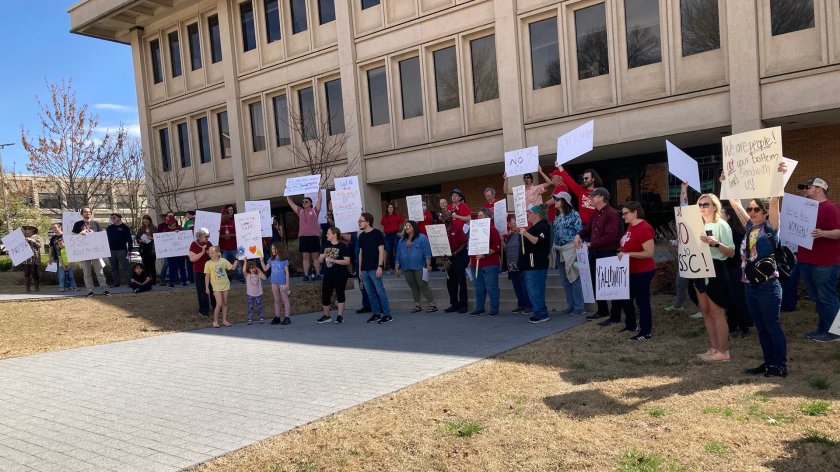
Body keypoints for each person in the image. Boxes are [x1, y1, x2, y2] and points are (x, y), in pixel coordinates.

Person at [727, 193, 787, 377]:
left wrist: (777, 182)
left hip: (768, 286)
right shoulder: (749, 227)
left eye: (756, 209)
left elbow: (775, 201)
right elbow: (735, 202)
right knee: (761, 328)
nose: (751, 212)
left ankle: (779, 366)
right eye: (750, 209)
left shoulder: (771, 228)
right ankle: (769, 363)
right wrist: (727, 182)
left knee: (772, 326)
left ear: (766, 212)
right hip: (749, 287)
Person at [795, 177, 840, 342]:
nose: (804, 190)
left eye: (808, 187)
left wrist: (823, 233)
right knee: (817, 297)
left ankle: (835, 332)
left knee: (827, 297)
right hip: (806, 260)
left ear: (819, 189)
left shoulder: (830, 208)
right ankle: (824, 329)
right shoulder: (804, 208)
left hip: (825, 263)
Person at [692, 193, 736, 363]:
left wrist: (715, 242)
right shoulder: (696, 225)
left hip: (716, 269)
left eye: (705, 204)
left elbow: (731, 252)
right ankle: (714, 348)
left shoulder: (721, 225)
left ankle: (723, 352)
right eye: (700, 205)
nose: (702, 208)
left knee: (717, 313)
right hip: (699, 269)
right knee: (706, 312)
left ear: (714, 207)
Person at [574, 187, 621, 324]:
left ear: (601, 197)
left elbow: (610, 237)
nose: (591, 198)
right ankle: (602, 310)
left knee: (611, 284)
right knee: (597, 282)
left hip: (608, 253)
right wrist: (578, 235)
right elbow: (587, 229)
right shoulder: (595, 213)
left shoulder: (611, 213)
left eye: (593, 196)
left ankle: (615, 315)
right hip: (596, 252)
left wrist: (590, 244)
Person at [617, 201, 657, 341]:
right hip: (629, 270)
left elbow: (649, 253)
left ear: (635, 212)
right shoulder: (631, 226)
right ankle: (631, 325)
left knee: (642, 301)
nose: (623, 217)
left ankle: (646, 331)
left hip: (642, 271)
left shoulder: (645, 228)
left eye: (625, 213)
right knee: (626, 298)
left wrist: (628, 254)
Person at [552, 192, 585, 315]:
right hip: (559, 250)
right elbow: (555, 234)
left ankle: (579, 307)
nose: (555, 200)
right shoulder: (557, 217)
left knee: (574, 277)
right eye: (555, 198)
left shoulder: (574, 214)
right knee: (564, 279)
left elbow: (580, 231)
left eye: (557, 199)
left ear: (564, 200)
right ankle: (571, 304)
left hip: (571, 249)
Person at [721, 204, 751, 338]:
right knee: (729, 300)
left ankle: (743, 327)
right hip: (727, 269)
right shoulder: (724, 231)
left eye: (721, 214)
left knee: (738, 299)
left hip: (736, 270)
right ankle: (731, 326)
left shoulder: (735, 233)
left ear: (728, 217)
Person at [358, 212, 393, 324]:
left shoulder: (377, 233)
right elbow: (361, 253)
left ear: (368, 222)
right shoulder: (361, 236)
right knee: (370, 293)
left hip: (374, 267)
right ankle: (376, 314)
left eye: (361, 221)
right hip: (364, 269)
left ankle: (387, 314)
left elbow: (381, 250)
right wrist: (359, 269)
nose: (359, 223)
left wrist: (380, 266)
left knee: (380, 291)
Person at [395, 219, 436, 313]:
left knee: (423, 285)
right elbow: (398, 254)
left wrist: (428, 264)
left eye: (408, 226)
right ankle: (417, 305)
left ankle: (432, 304)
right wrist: (397, 267)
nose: (406, 227)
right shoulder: (402, 240)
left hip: (419, 265)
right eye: (405, 226)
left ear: (414, 227)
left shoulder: (422, 238)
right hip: (406, 266)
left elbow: (427, 252)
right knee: (413, 285)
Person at [520, 205, 551, 323]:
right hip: (530, 264)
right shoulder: (534, 227)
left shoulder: (543, 226)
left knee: (536, 289)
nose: (528, 214)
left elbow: (538, 241)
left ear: (537, 214)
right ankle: (537, 311)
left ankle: (541, 313)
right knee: (532, 290)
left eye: (530, 212)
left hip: (537, 264)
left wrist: (526, 234)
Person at [468, 208, 501, 317]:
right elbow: (471, 246)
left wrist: (485, 254)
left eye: (481, 215)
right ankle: (480, 308)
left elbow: (497, 246)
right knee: (479, 287)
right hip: (475, 263)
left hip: (490, 263)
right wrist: (470, 261)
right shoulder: (474, 230)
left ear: (488, 217)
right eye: (478, 215)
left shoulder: (492, 229)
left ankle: (494, 308)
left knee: (491, 287)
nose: (479, 217)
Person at [316, 227, 352, 324]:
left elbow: (347, 261)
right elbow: (319, 260)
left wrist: (334, 260)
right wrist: (321, 257)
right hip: (328, 274)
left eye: (328, 233)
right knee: (325, 295)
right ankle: (326, 316)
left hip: (340, 274)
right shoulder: (325, 244)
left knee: (340, 293)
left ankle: (340, 316)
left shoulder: (342, 246)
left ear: (335, 234)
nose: (326, 235)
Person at [71, 207, 110, 296]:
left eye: (89, 212)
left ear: (91, 213)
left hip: (95, 252)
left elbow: (101, 236)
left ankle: (105, 289)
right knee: (87, 272)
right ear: (82, 214)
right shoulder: (77, 224)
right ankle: (90, 291)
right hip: (84, 252)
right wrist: (80, 234)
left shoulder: (96, 223)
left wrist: (93, 234)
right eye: (85, 212)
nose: (87, 213)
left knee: (99, 271)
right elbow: (73, 238)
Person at [287, 194, 323, 282]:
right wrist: (288, 192)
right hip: (303, 237)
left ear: (311, 203)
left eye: (306, 201)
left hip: (314, 236)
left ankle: (318, 274)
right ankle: (306, 275)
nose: (304, 203)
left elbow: (320, 200)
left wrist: (319, 189)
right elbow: (290, 202)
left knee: (315, 256)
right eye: (303, 202)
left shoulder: (315, 210)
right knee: (305, 257)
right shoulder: (300, 211)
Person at [205, 246, 241, 328]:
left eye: (213, 253)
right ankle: (215, 321)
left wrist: (236, 259)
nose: (211, 254)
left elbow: (232, 267)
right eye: (210, 253)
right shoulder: (208, 263)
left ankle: (224, 320)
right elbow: (207, 276)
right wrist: (207, 287)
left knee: (225, 303)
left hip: (225, 284)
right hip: (216, 286)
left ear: (218, 253)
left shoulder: (223, 261)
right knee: (219, 303)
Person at [505, 215, 531, 314]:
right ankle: (521, 304)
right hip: (511, 264)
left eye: (514, 223)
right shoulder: (510, 235)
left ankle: (529, 305)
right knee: (516, 286)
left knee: (523, 285)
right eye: (511, 223)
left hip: (520, 263)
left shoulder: (522, 234)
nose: (512, 225)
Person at [444, 214, 469, 314]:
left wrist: (455, 253)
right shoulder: (440, 230)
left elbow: (464, 243)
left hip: (458, 256)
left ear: (451, 218)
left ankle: (463, 305)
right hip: (447, 258)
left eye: (448, 216)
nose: (446, 218)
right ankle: (454, 304)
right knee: (450, 282)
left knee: (461, 281)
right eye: (444, 216)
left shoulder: (457, 227)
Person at [189, 228, 216, 317]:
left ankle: (216, 307)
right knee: (202, 291)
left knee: (213, 289)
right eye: (206, 237)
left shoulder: (208, 243)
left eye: (208, 236)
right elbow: (192, 258)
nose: (207, 238)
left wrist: (211, 253)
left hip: (209, 271)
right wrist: (203, 252)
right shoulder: (193, 244)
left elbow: (213, 255)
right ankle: (203, 311)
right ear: (200, 237)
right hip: (199, 271)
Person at [158, 211, 188, 288]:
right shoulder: (165, 230)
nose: (170, 225)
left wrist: (179, 233)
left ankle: (184, 281)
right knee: (171, 267)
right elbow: (162, 240)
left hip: (180, 252)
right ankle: (172, 282)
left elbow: (185, 238)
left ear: (175, 223)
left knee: (181, 266)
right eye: (169, 224)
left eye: (171, 223)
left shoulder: (180, 228)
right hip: (171, 253)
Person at [264, 242, 291, 325]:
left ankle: (287, 317)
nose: (272, 251)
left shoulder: (284, 259)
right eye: (271, 249)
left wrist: (287, 284)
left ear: (278, 249)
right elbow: (265, 269)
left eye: (274, 249)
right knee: (276, 300)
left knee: (285, 299)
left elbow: (287, 272)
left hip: (282, 282)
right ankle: (277, 317)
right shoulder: (271, 259)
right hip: (274, 282)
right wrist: (261, 260)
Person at [106, 213, 133, 288]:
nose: (112, 219)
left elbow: (130, 240)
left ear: (119, 218)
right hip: (111, 251)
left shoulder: (125, 227)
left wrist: (130, 249)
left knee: (126, 267)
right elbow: (106, 239)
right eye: (111, 218)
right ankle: (116, 283)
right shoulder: (109, 228)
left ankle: (130, 283)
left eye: (114, 217)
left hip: (121, 250)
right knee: (114, 268)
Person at [219, 204, 244, 283]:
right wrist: (223, 236)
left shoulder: (233, 223)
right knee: (224, 265)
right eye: (224, 214)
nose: (226, 215)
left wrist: (231, 235)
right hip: (224, 249)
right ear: (221, 215)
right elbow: (216, 236)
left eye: (227, 214)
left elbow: (239, 233)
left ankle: (240, 278)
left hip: (234, 247)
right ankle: (227, 278)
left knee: (239, 263)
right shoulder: (218, 224)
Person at [380, 202, 404, 274]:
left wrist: (402, 233)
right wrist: (383, 235)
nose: (390, 209)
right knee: (389, 252)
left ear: (394, 209)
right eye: (389, 207)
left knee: (397, 251)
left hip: (395, 235)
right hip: (387, 236)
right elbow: (382, 226)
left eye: (392, 207)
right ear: (387, 209)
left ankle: (399, 267)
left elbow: (405, 223)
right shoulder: (384, 217)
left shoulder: (397, 216)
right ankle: (392, 268)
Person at [136, 215, 157, 285]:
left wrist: (152, 238)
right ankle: (147, 279)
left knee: (152, 265)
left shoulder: (154, 228)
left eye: (147, 222)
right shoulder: (141, 229)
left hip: (152, 249)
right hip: (143, 249)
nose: (146, 223)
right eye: (144, 222)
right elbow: (137, 238)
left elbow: (158, 238)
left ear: (150, 221)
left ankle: (154, 280)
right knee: (146, 266)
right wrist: (140, 241)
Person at [21, 225, 42, 293]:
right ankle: (27, 288)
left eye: (29, 228)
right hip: (25, 258)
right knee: (26, 273)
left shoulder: (37, 237)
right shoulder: (23, 237)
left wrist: (32, 240)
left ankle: (37, 288)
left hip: (34, 258)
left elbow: (40, 245)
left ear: (33, 229)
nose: (27, 230)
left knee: (34, 272)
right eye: (26, 229)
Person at [183, 210, 196, 284]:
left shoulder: (199, 223)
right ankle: (191, 279)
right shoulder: (187, 223)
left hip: (198, 246)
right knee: (189, 263)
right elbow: (184, 232)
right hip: (189, 246)